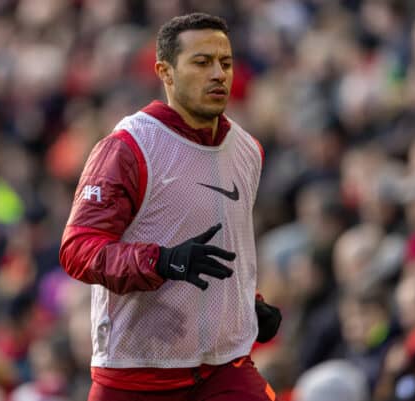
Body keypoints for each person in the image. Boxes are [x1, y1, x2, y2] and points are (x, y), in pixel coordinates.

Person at [59, 12, 281, 401]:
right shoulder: (128, 147)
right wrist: (160, 261)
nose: (218, 74)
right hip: (137, 373)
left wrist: (248, 305)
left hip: (224, 368)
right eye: (202, 62)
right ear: (165, 72)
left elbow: (226, 252)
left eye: (225, 63)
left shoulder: (248, 150)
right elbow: (78, 249)